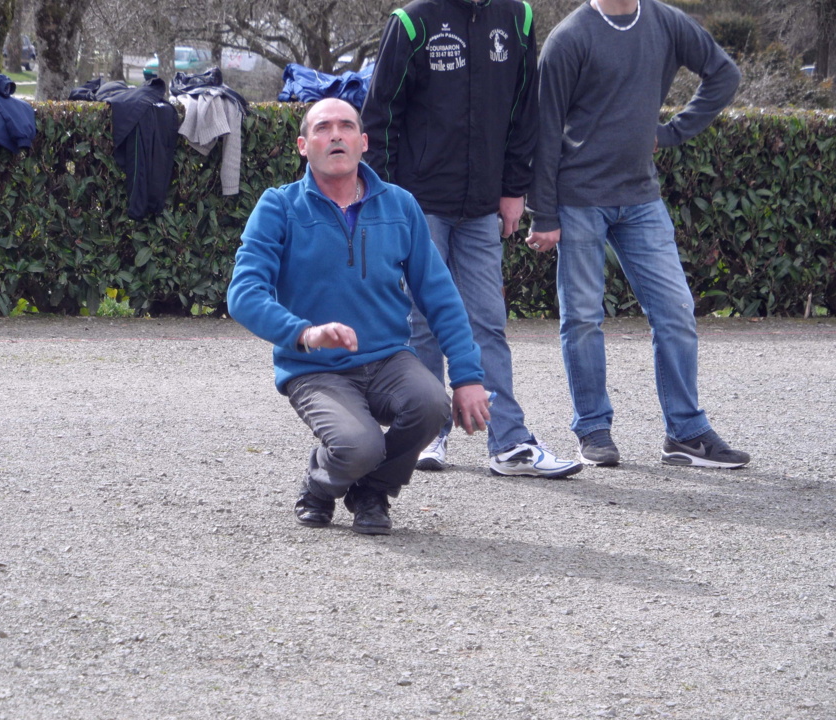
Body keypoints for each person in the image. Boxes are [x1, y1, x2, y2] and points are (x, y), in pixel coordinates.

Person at [227, 99, 492, 535]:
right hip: (315, 369)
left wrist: (467, 376)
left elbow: (440, 296)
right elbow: (243, 294)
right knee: (360, 444)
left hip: (389, 359)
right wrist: (306, 333)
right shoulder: (278, 207)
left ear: (363, 142)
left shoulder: (400, 206)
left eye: (347, 126)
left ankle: (372, 491)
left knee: (431, 406)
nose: (336, 135)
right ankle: (318, 485)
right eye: (323, 128)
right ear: (302, 145)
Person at [361, 0, 582, 479]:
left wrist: (513, 188)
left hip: (483, 205)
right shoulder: (411, 21)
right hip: (418, 205)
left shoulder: (518, 16)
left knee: (487, 320)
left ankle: (509, 442)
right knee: (421, 320)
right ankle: (424, 432)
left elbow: (526, 112)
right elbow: (379, 117)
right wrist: (380, 200)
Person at [527, 0, 750, 469]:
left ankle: (685, 434)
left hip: (641, 198)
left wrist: (672, 131)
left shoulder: (666, 21)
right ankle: (592, 429)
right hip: (579, 198)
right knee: (583, 318)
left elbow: (724, 74)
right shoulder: (569, 38)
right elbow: (544, 130)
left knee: (676, 311)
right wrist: (542, 212)